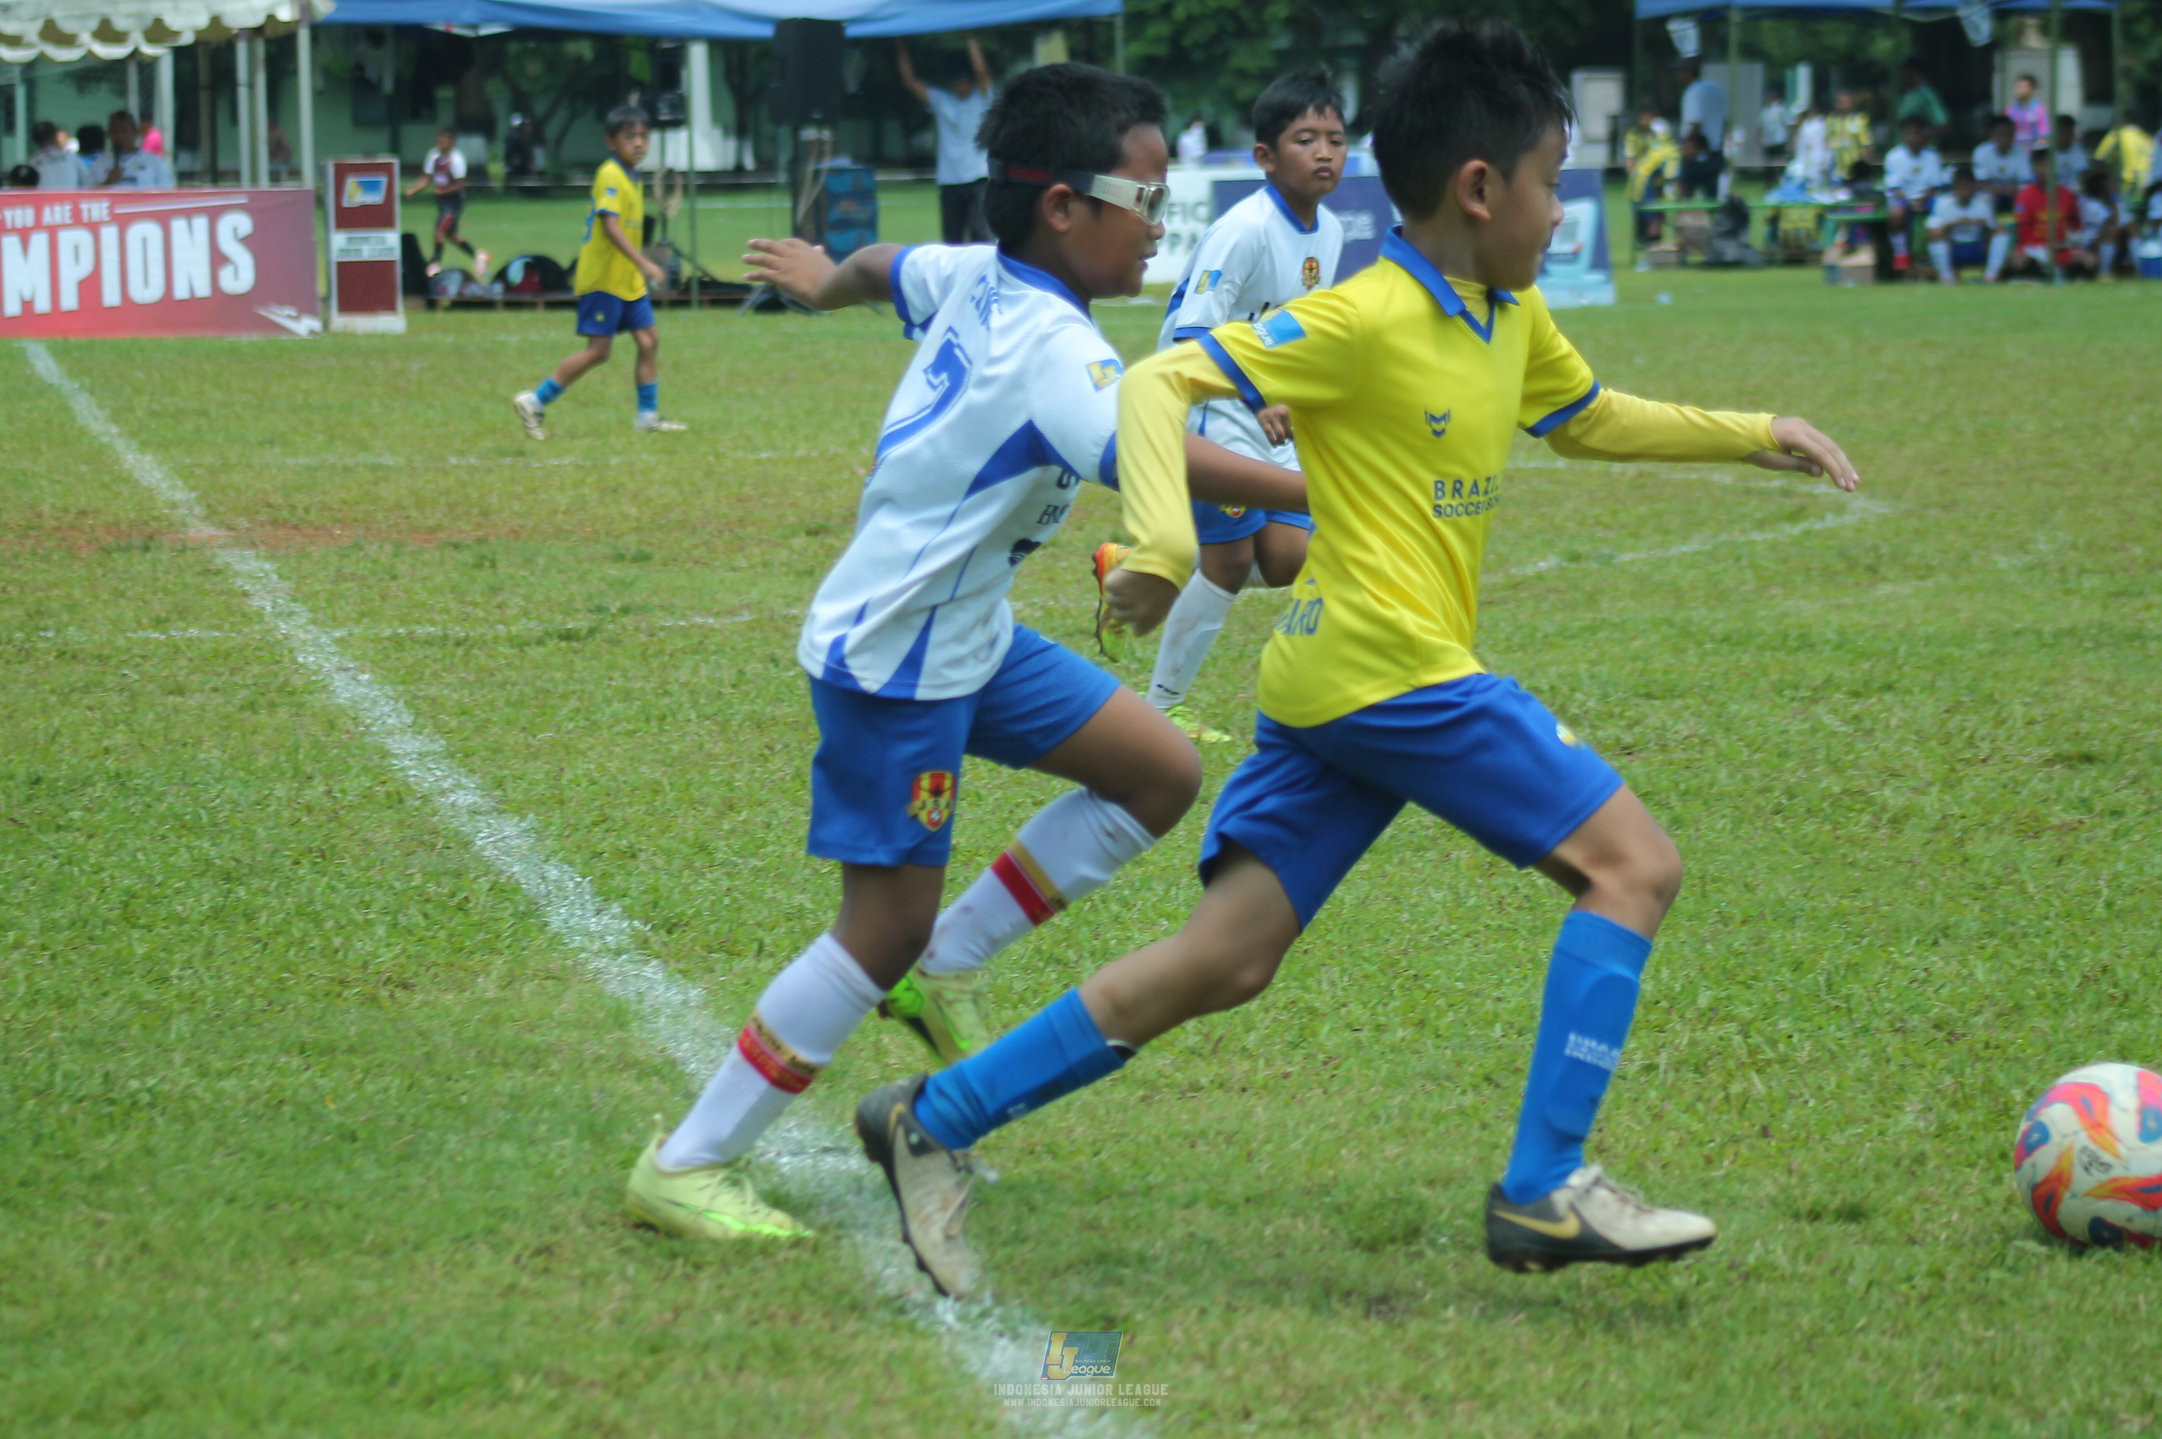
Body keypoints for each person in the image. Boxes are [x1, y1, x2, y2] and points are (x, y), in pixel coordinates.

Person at [853, 17, 1858, 1300]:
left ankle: (930, 1114)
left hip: (1331, 683)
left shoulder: (1508, 311)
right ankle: (1545, 1181)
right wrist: (1160, 541)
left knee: (1225, 958)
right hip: (1392, 673)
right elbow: (1156, 383)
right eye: (1551, 181)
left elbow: (1587, 416)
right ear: (1478, 187)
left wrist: (1748, 429)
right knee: (1634, 865)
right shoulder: (1362, 317)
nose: (1561, 210)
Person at [620, 62, 1310, 1243]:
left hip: (967, 633)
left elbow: (892, 265)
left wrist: (821, 282)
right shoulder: (1055, 349)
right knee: (872, 926)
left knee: (1156, 772)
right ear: (1060, 206)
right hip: (899, 657)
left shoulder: (983, 271)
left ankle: (951, 952)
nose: (1158, 228)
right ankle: (687, 1160)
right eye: (1141, 201)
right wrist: (1319, 484)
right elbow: (1155, 450)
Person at [1099, 67, 1346, 745]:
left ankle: (1130, 559)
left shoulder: (1328, 234)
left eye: (1336, 137)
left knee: (1292, 557)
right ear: (1265, 156)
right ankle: (1160, 709)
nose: (1325, 151)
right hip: (1207, 402)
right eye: (1306, 138)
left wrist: (1296, 392)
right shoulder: (1246, 229)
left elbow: (1301, 332)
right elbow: (1192, 334)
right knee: (1230, 563)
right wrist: (1260, 393)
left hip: (1264, 406)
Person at [512, 107, 684, 438]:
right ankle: (534, 401)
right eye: (630, 137)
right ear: (611, 142)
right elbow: (610, 226)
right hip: (605, 279)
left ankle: (647, 417)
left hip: (627, 280)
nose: (638, 143)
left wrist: (638, 268)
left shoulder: (633, 177)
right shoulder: (610, 174)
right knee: (598, 351)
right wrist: (645, 262)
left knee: (649, 341)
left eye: (643, 137)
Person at [897, 34, 994, 244]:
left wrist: (970, 38)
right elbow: (910, 81)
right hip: (949, 180)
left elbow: (981, 71)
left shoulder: (982, 98)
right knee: (952, 242)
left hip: (978, 179)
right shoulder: (943, 101)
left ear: (970, 82)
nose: (962, 85)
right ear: (952, 83)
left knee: (981, 238)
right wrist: (901, 45)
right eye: (958, 82)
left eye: (965, 81)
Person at [404, 128, 489, 279]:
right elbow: (426, 178)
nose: (440, 144)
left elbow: (460, 185)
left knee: (439, 230)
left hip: (454, 201)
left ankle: (435, 263)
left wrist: (443, 191)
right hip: (442, 201)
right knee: (451, 234)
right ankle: (477, 255)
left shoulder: (456, 159)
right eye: (438, 141)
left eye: (443, 141)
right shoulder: (434, 156)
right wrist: (413, 190)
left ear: (451, 143)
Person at [2008, 148, 2094, 278]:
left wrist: (2071, 241)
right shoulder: (2025, 195)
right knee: (2017, 261)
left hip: (2061, 248)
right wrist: (2040, 247)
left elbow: (2075, 225)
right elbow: (2023, 229)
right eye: (2042, 165)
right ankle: (2040, 274)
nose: (2046, 170)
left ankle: (2063, 274)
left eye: (2050, 165)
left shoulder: (2067, 194)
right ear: (2034, 168)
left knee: (2090, 261)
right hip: (2035, 248)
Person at [1881, 114, 1946, 273]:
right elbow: (1894, 188)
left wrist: (1922, 199)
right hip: (1903, 199)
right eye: (1909, 133)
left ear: (1925, 134)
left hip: (1927, 198)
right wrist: (1910, 200)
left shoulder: (1932, 157)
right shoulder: (1894, 156)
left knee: (1943, 212)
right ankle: (1901, 254)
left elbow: (1936, 186)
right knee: (1896, 213)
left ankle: (1934, 257)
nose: (1913, 137)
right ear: (1903, 135)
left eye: (1917, 132)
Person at [1925, 166, 2008, 283]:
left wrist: (1983, 226)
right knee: (1936, 237)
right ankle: (1946, 278)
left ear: (1973, 187)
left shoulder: (1982, 204)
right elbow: (1931, 233)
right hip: (1954, 248)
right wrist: (1953, 224)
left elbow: (1994, 229)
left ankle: (1991, 276)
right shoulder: (1942, 204)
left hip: (1976, 246)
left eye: (1967, 187)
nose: (1964, 191)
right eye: (1960, 187)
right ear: (1954, 187)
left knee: (2001, 232)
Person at [1627, 107, 1679, 244]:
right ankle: (1651, 242)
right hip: (1643, 185)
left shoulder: (1662, 151)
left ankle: (1652, 243)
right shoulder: (1635, 135)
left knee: (1654, 214)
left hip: (1645, 184)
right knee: (1651, 214)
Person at [88, 111, 173, 188]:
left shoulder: (154, 162)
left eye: (124, 131)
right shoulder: (99, 164)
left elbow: (166, 193)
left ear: (135, 133)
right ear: (108, 134)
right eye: (114, 132)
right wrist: (108, 182)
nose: (119, 136)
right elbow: (87, 196)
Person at [1972, 113, 2028, 213]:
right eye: (2001, 134)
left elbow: (2025, 182)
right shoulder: (1981, 151)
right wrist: (2004, 190)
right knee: (1984, 197)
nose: (2005, 138)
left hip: (2013, 194)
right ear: (1992, 134)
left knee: (2026, 195)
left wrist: (2008, 190)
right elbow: (1980, 184)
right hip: (1992, 194)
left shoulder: (2021, 152)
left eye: (2009, 134)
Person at [2076, 168, 2123, 279]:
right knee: (2111, 231)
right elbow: (2112, 222)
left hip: (2098, 240)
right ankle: (2103, 272)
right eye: (2111, 183)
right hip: (2088, 243)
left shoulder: (2104, 203)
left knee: (2127, 230)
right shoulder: (2090, 204)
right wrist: (2114, 196)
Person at [2093, 114, 2153, 200]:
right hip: (2146, 184)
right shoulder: (2146, 137)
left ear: (2123, 121)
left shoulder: (2119, 133)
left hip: (2127, 183)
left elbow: (2100, 155)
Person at [1894, 55, 1947, 145]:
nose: (1901, 75)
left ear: (1913, 71)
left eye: (1904, 71)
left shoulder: (1926, 94)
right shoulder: (1908, 94)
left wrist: (1920, 140)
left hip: (1923, 154)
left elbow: (1942, 124)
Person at [1677, 57, 1727, 151]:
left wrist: (1684, 144)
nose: (1678, 74)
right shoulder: (1715, 88)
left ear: (1689, 71)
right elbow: (1726, 119)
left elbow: (1694, 122)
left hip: (1698, 149)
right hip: (1717, 147)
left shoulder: (1693, 91)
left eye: (1681, 71)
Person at [1825, 89, 1872, 180]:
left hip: (1853, 167)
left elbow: (1866, 145)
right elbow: (1826, 141)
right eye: (1838, 101)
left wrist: (1864, 167)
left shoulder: (1860, 120)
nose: (1839, 104)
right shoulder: (1831, 119)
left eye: (1843, 102)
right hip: (1835, 167)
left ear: (1852, 103)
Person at [28, 120, 79, 192]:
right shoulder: (71, 157)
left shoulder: (31, 163)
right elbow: (89, 185)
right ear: (55, 137)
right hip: (69, 201)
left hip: (42, 202)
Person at [1677, 129, 1724, 200]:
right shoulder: (1686, 164)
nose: (1685, 151)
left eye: (1687, 148)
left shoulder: (1714, 161)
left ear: (1696, 147)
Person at [2008, 73, 2048, 153]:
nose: (2019, 90)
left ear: (2032, 89)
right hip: (2014, 153)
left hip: (2033, 154)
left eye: (2023, 87)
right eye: (2017, 87)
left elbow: (2044, 135)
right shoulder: (2010, 110)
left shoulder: (2040, 110)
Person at [2050, 115, 2090, 185]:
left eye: (2069, 132)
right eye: (2063, 132)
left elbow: (2083, 176)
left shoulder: (2078, 152)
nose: (2066, 136)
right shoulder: (2047, 152)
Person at [1759, 85, 1791, 162]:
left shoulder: (1781, 109)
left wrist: (1790, 140)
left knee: (1780, 162)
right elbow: (1761, 127)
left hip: (1779, 140)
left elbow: (1788, 123)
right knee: (1768, 163)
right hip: (1768, 141)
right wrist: (1759, 142)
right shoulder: (1765, 111)